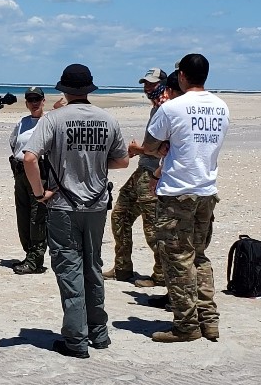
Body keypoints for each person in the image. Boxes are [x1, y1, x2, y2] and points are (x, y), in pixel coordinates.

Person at [23, 63, 129, 358]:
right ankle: (99, 332)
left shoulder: (54, 119)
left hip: (63, 206)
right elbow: (122, 162)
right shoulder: (107, 119)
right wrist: (93, 162)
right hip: (96, 205)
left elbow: (30, 158)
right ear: (88, 90)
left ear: (65, 90)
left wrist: (38, 193)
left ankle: (76, 340)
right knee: (93, 267)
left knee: (70, 271)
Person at [143, 53, 230, 343]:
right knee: (200, 257)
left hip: (178, 192)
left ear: (181, 75)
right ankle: (209, 321)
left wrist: (160, 147)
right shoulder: (221, 107)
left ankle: (186, 325)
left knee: (178, 260)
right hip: (206, 190)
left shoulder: (172, 108)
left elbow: (150, 145)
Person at [103, 67, 168, 288]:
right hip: (143, 170)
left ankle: (161, 274)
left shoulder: (168, 108)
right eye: (145, 84)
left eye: (151, 84)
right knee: (120, 215)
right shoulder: (156, 108)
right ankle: (122, 268)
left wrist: (139, 149)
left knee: (153, 228)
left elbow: (162, 148)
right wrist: (140, 151)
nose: (147, 87)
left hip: (155, 174)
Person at [8, 86, 48, 275]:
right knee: (23, 216)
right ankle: (29, 254)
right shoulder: (22, 122)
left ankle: (36, 259)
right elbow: (14, 144)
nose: (34, 103)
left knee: (37, 216)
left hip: (39, 172)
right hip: (20, 173)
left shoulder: (48, 122)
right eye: (30, 99)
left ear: (43, 100)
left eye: (37, 99)